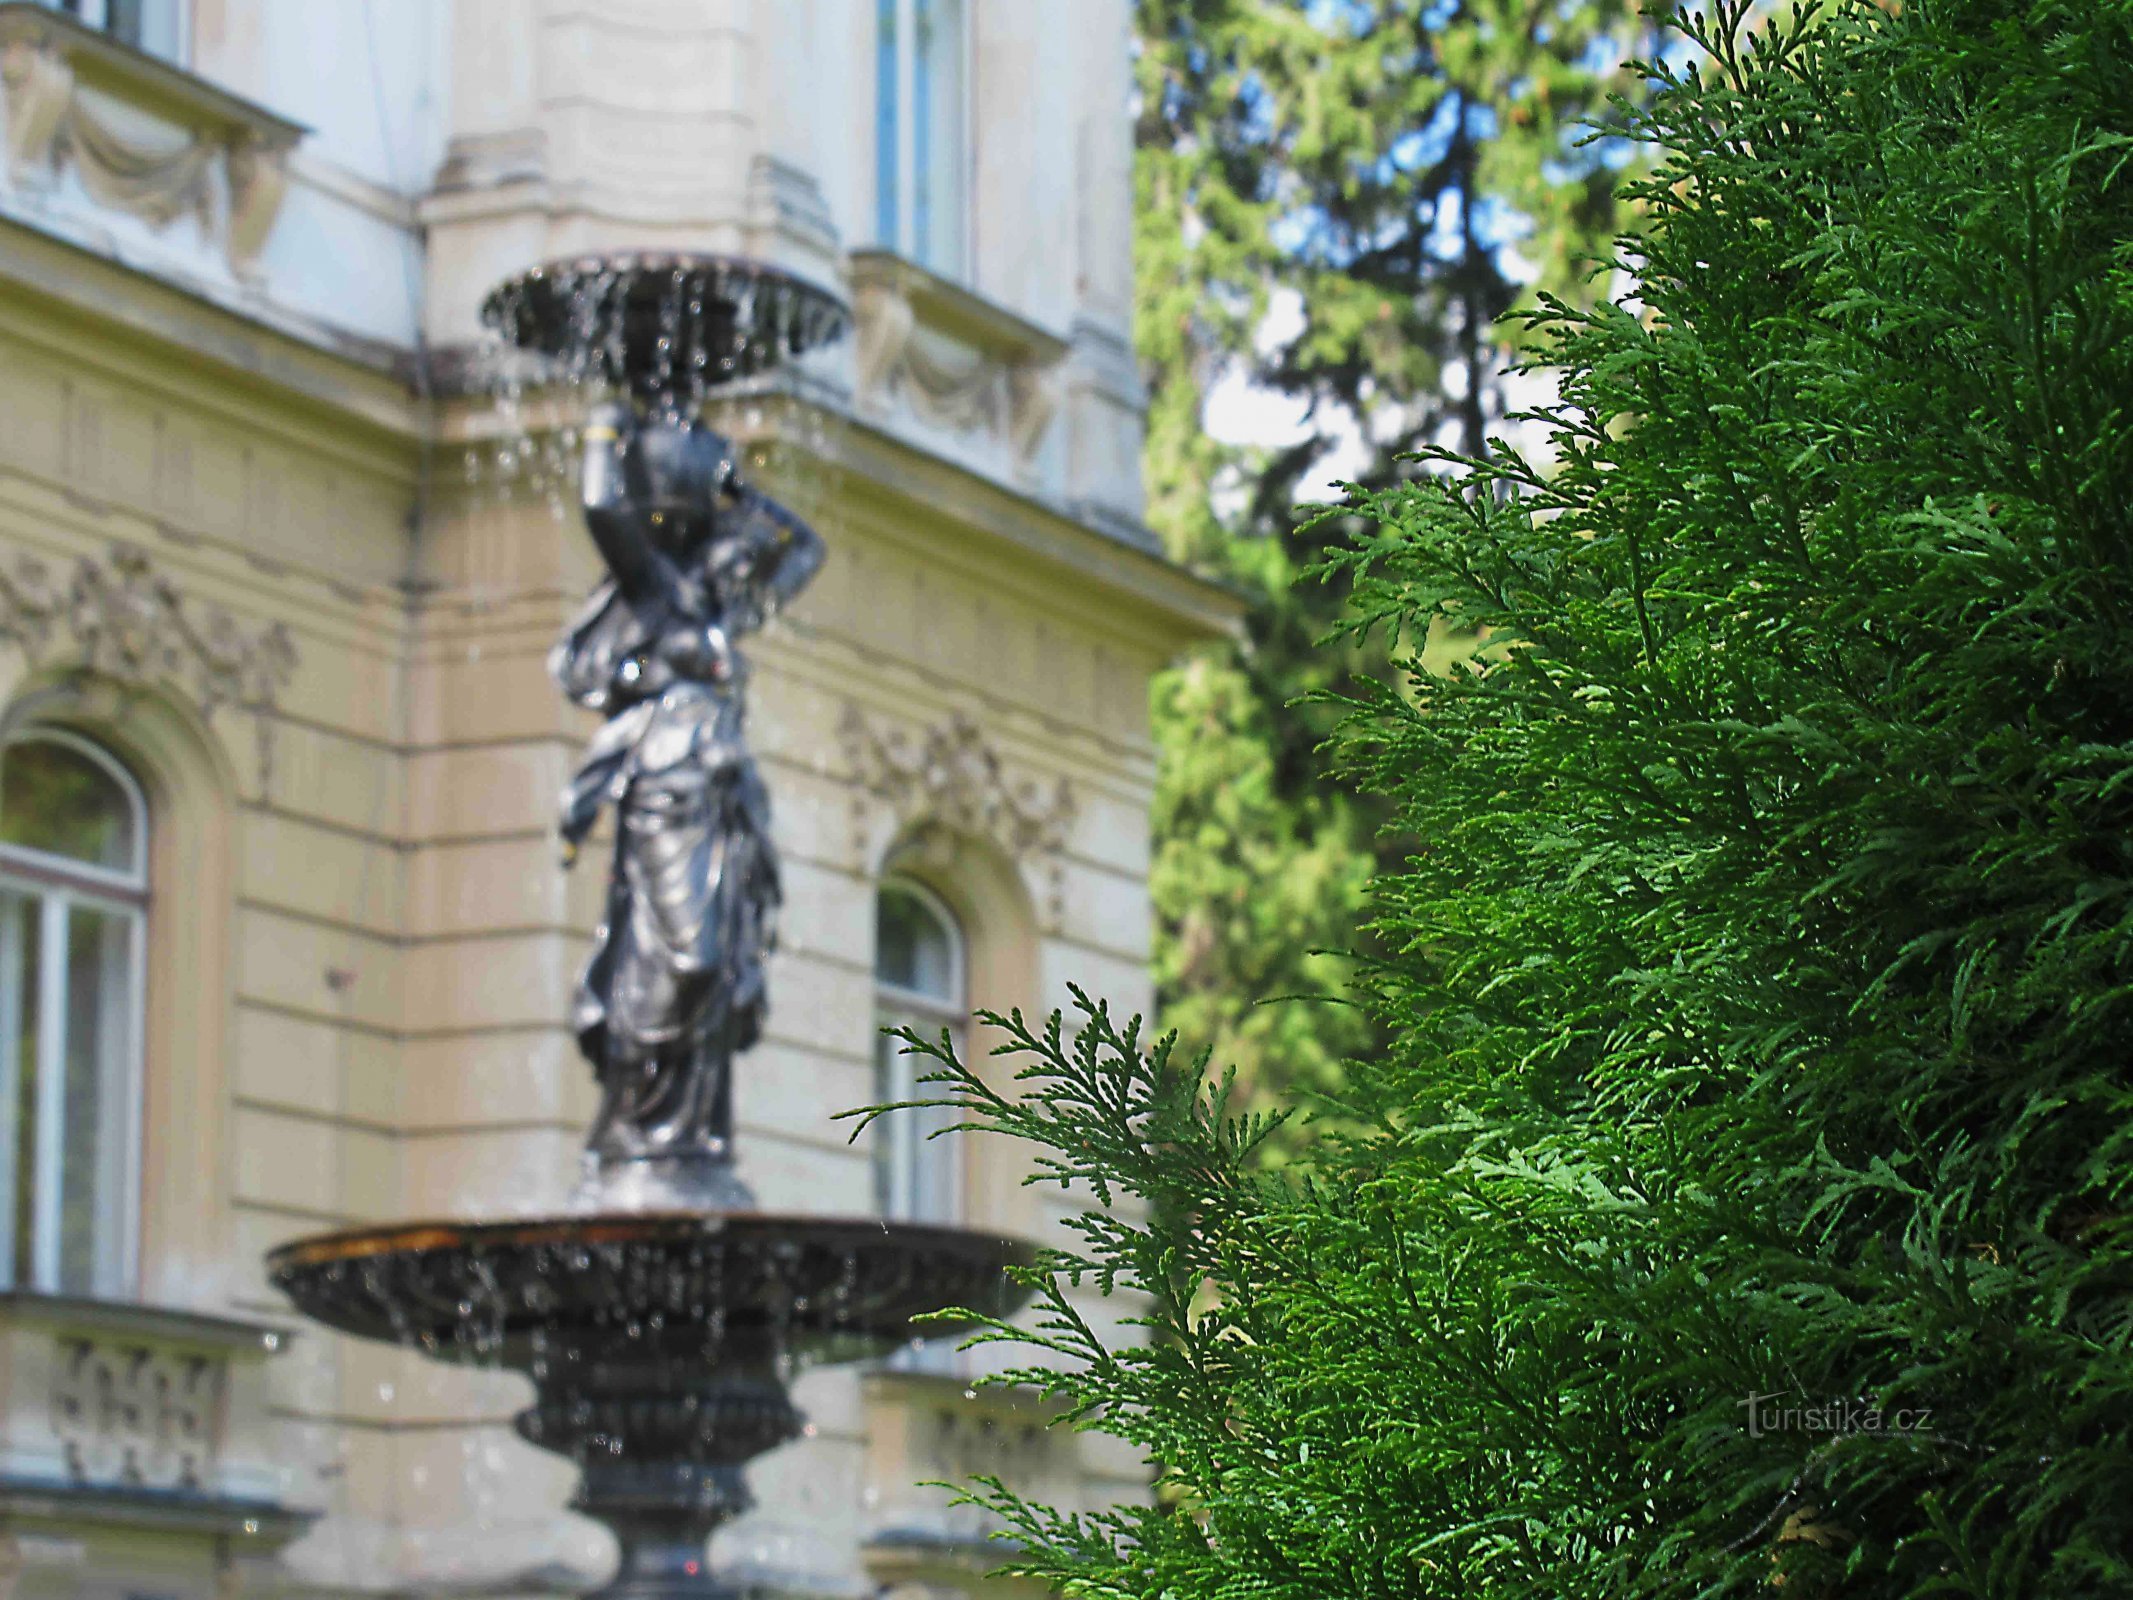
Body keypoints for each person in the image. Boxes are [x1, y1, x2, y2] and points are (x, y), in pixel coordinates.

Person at [550, 401, 825, 1196]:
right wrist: (605, 425)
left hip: (722, 800)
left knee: (718, 968)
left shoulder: (726, 615)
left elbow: (803, 548)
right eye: (736, 556)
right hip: (665, 795)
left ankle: (692, 1133)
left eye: (747, 562)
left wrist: (735, 489)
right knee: (680, 958)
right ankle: (637, 1128)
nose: (749, 569)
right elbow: (603, 507)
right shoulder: (661, 592)